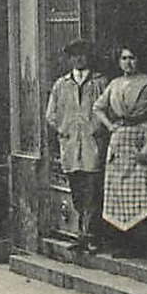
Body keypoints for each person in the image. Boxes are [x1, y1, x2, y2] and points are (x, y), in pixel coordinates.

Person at [94, 44, 147, 255]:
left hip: (139, 136)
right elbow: (98, 107)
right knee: (118, 192)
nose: (128, 62)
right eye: (124, 58)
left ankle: (142, 244)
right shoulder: (114, 84)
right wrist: (110, 125)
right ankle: (122, 242)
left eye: (132, 58)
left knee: (142, 191)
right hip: (119, 140)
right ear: (119, 62)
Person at [45, 39, 109, 251]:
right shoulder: (61, 84)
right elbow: (51, 115)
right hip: (71, 145)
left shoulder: (100, 82)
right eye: (75, 55)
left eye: (83, 54)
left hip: (92, 144)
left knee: (92, 188)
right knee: (77, 189)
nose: (79, 58)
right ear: (70, 59)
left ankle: (89, 235)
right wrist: (63, 129)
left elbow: (109, 108)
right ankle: (81, 231)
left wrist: (98, 128)